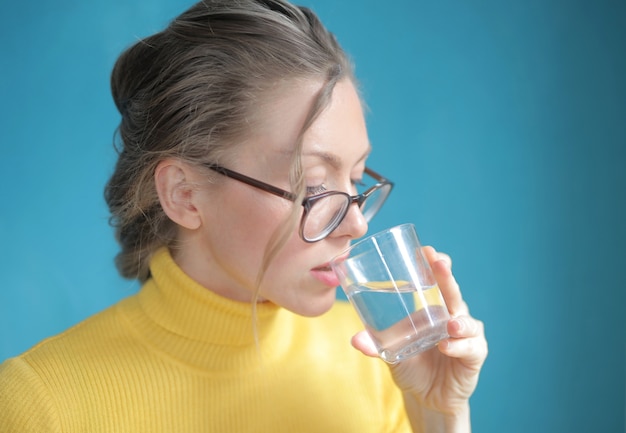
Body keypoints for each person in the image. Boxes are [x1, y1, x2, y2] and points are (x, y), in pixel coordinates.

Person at [0, 0, 487, 431]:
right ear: (184, 195)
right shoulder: (37, 403)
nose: (356, 224)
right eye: (311, 185)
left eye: (356, 180)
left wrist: (440, 419)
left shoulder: (379, 355)